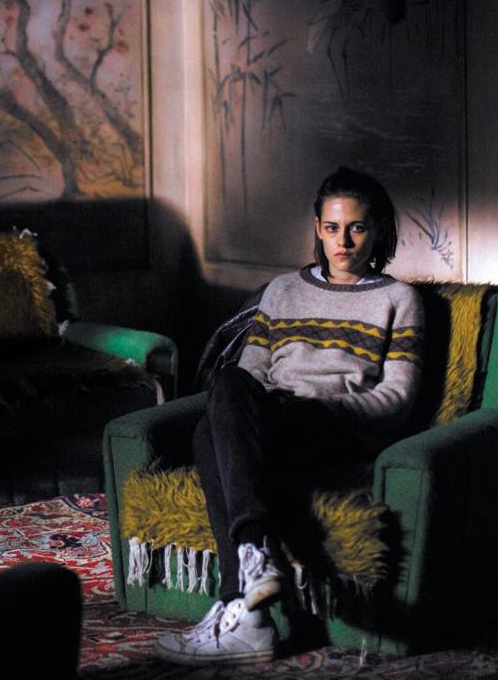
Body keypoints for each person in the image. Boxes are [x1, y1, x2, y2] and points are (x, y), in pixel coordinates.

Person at [155, 166, 424, 665]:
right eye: (332, 228)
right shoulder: (281, 291)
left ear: (378, 230)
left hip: (337, 426)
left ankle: (242, 591)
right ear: (317, 228)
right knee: (224, 392)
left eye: (357, 228)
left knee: (207, 432)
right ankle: (253, 580)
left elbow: (397, 398)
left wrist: (328, 407)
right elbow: (250, 376)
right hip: (277, 420)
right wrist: (268, 408)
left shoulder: (398, 299)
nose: (343, 242)